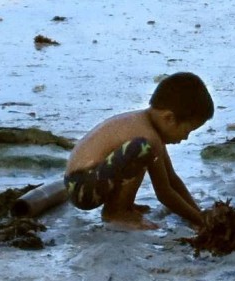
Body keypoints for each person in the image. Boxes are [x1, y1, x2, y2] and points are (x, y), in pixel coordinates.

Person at [64, 72, 213, 230]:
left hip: (87, 181)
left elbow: (172, 179)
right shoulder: (148, 138)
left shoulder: (151, 130)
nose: (186, 138)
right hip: (82, 188)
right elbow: (164, 193)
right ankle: (116, 212)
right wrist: (201, 222)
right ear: (169, 118)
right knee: (141, 149)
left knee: (141, 149)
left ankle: (121, 205)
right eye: (187, 130)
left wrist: (198, 213)